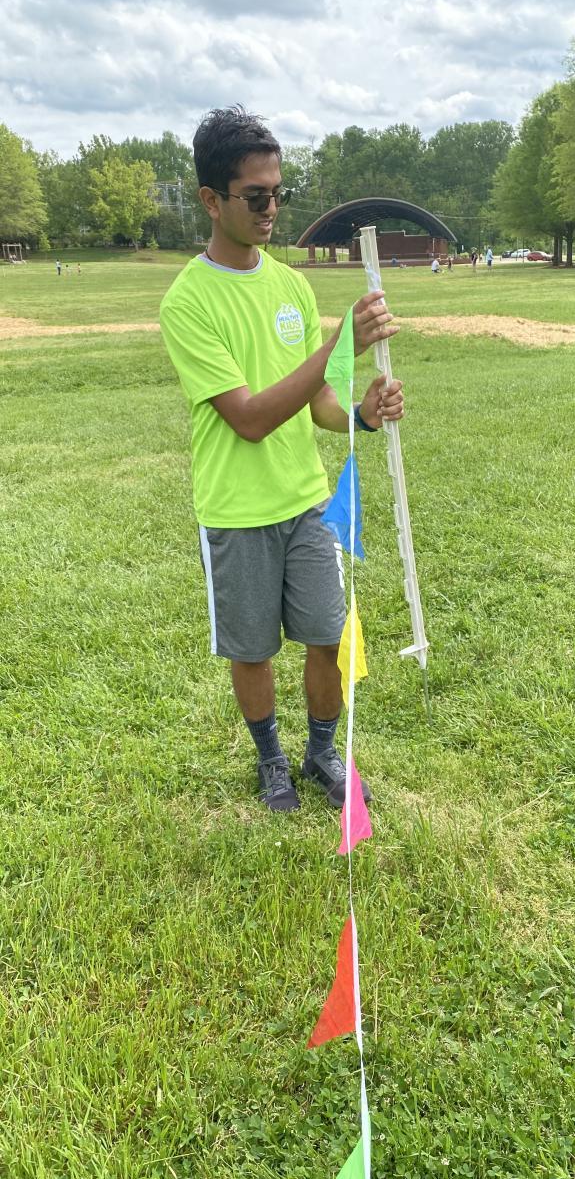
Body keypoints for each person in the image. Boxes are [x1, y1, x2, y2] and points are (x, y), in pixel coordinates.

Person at [160, 106, 402, 814]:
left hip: (309, 504)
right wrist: (338, 345)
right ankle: (271, 760)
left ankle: (321, 752)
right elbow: (251, 419)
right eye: (255, 196)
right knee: (253, 651)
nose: (271, 209)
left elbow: (315, 400)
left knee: (327, 637)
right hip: (236, 510)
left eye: (278, 193)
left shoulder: (291, 286)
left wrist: (359, 413)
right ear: (211, 200)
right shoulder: (188, 302)